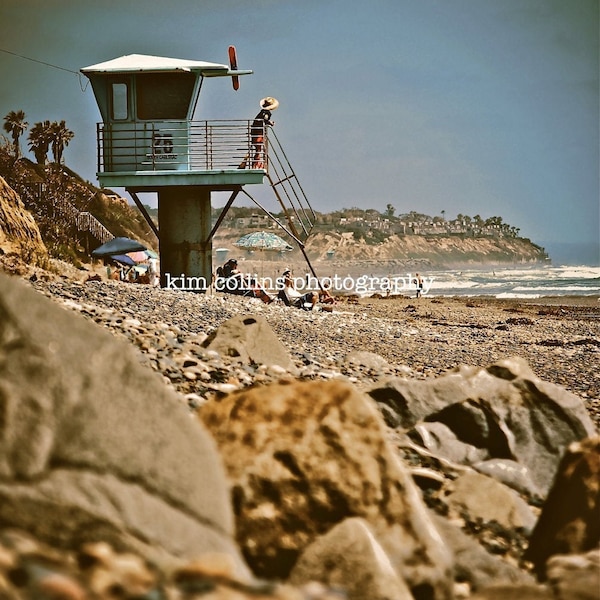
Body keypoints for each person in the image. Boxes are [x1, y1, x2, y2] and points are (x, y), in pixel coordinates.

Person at [250, 97, 279, 168]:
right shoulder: (267, 113)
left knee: (258, 149)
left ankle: (256, 164)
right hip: (258, 131)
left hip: (254, 130)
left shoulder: (261, 112)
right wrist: (270, 123)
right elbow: (265, 120)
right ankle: (256, 164)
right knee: (259, 149)